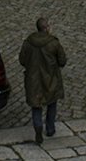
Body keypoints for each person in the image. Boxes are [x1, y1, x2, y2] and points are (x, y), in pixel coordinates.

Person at [18, 16, 66, 144]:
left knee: (36, 105)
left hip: (33, 79)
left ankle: (38, 127)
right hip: (51, 79)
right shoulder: (54, 43)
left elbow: (22, 60)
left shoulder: (28, 42)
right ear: (46, 28)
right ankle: (50, 129)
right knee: (52, 103)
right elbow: (62, 61)